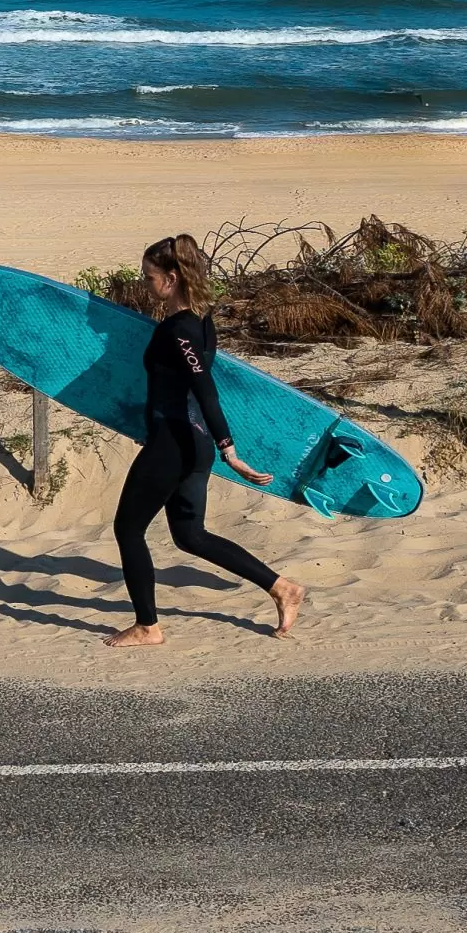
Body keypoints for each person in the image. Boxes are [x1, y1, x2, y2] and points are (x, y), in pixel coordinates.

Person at [107, 234, 306, 647]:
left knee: (128, 529)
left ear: (171, 278)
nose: (145, 285)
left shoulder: (180, 329)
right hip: (191, 443)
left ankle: (148, 626)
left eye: (149, 278)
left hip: (174, 441)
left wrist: (229, 450)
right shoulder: (201, 319)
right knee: (190, 535)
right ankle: (282, 588)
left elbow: (204, 387)